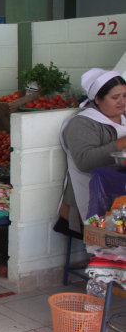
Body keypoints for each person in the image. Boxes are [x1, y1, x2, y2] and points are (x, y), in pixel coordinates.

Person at [54, 68, 126, 238]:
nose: (122, 102)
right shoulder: (82, 124)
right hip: (91, 195)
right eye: (115, 97)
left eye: (125, 96)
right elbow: (85, 162)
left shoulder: (123, 117)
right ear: (98, 99)